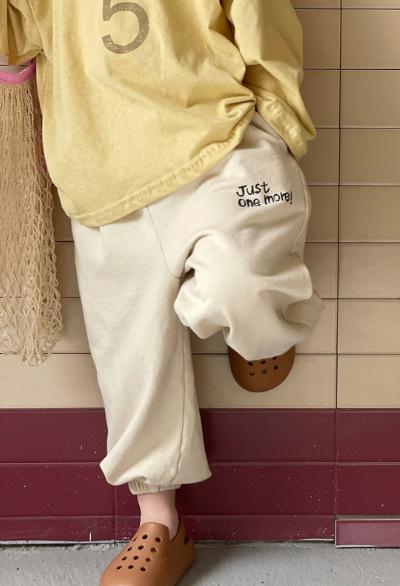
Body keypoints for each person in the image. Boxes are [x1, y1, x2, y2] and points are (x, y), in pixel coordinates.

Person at [1, 1, 324, 584]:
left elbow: (265, 22)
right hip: (102, 172)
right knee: (132, 360)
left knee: (245, 278)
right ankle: (160, 524)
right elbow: (14, 37)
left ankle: (259, 332)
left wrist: (277, 124)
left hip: (219, 142)